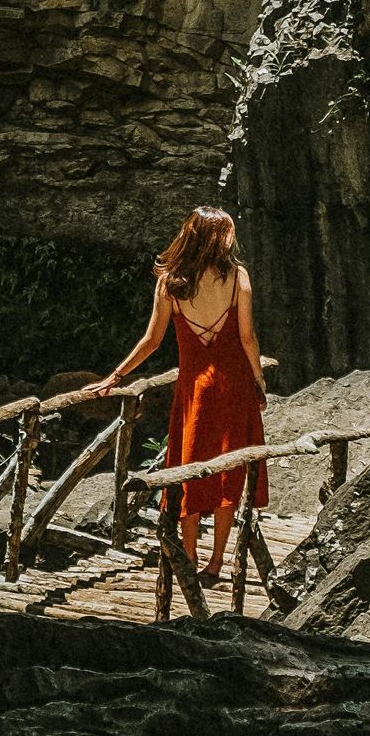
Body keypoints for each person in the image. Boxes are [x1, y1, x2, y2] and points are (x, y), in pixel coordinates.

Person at [107, 204, 267, 585]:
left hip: (194, 391)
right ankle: (216, 564)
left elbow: (151, 341)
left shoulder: (171, 282)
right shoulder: (238, 277)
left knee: (187, 469)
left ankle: (190, 557)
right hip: (232, 387)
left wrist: (115, 376)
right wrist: (259, 379)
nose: (232, 239)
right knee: (231, 470)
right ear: (215, 238)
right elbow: (246, 338)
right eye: (227, 233)